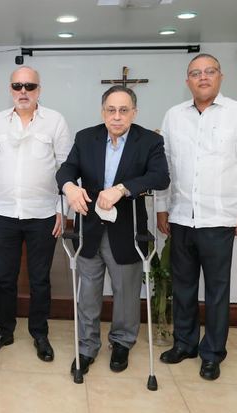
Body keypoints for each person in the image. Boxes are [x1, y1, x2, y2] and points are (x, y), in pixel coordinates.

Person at [157, 54, 237, 380]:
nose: (202, 77)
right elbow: (163, 167)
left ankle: (213, 352)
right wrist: (163, 207)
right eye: (195, 73)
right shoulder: (174, 116)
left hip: (219, 220)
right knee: (183, 286)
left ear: (220, 77)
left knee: (217, 290)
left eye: (209, 72)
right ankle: (185, 343)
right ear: (187, 80)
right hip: (181, 218)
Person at [56, 85, 170, 376]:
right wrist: (69, 187)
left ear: (134, 112)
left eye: (123, 110)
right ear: (102, 111)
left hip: (127, 230)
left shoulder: (149, 141)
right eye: (111, 110)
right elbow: (66, 170)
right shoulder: (86, 137)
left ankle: (121, 342)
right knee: (88, 292)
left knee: (126, 291)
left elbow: (160, 177)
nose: (117, 117)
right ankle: (86, 345)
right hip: (89, 228)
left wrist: (121, 189)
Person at [0, 66, 72, 362]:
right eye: (17, 86)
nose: (23, 92)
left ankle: (39, 333)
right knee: (5, 278)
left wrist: (61, 209)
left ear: (39, 90)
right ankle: (4, 331)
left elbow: (66, 168)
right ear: (10, 89)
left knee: (40, 278)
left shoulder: (55, 121)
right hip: (3, 213)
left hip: (43, 214)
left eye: (29, 86)